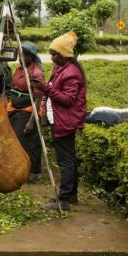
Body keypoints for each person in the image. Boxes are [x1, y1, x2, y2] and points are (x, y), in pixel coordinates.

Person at [33, 32, 87, 211]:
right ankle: (71, 195)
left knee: (66, 161)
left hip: (65, 121)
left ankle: (63, 200)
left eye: (54, 54)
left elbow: (68, 99)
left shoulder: (71, 73)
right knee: (69, 159)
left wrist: (45, 88)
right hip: (60, 119)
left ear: (64, 55)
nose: (51, 57)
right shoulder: (60, 68)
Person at [8, 42, 45, 183]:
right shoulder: (18, 69)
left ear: (30, 56)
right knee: (16, 140)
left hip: (28, 110)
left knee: (28, 142)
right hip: (15, 109)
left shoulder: (37, 73)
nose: (19, 57)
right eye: (18, 54)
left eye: (22, 54)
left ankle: (33, 173)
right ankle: (20, 169)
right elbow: (13, 86)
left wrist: (31, 120)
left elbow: (38, 97)